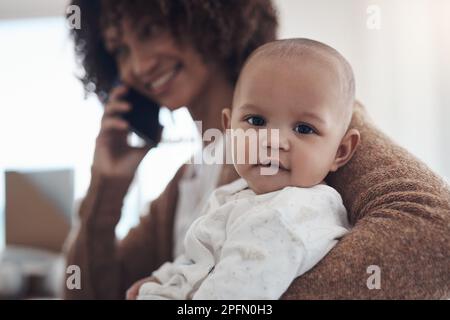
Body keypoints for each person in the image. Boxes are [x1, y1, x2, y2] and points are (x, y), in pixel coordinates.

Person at [64, 0, 450, 300]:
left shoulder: (315, 123)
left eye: (149, 31)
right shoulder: (190, 175)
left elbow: (436, 237)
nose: (138, 65)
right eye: (119, 50)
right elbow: (91, 292)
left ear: (205, 15)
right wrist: (105, 189)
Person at [136, 38, 359, 300]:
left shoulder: (291, 214)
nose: (273, 141)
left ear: (341, 151)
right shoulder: (237, 192)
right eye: (256, 121)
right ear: (229, 129)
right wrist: (162, 278)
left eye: (304, 129)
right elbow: (201, 252)